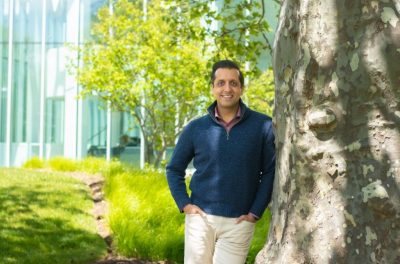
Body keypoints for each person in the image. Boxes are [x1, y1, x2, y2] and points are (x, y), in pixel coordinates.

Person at [166, 60, 275, 264]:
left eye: (233, 83)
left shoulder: (263, 126)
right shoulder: (196, 128)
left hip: (239, 222)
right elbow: (174, 169)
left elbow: (270, 171)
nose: (227, 88)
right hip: (201, 220)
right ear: (213, 88)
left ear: (241, 88)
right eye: (221, 83)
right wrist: (185, 205)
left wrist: (255, 212)